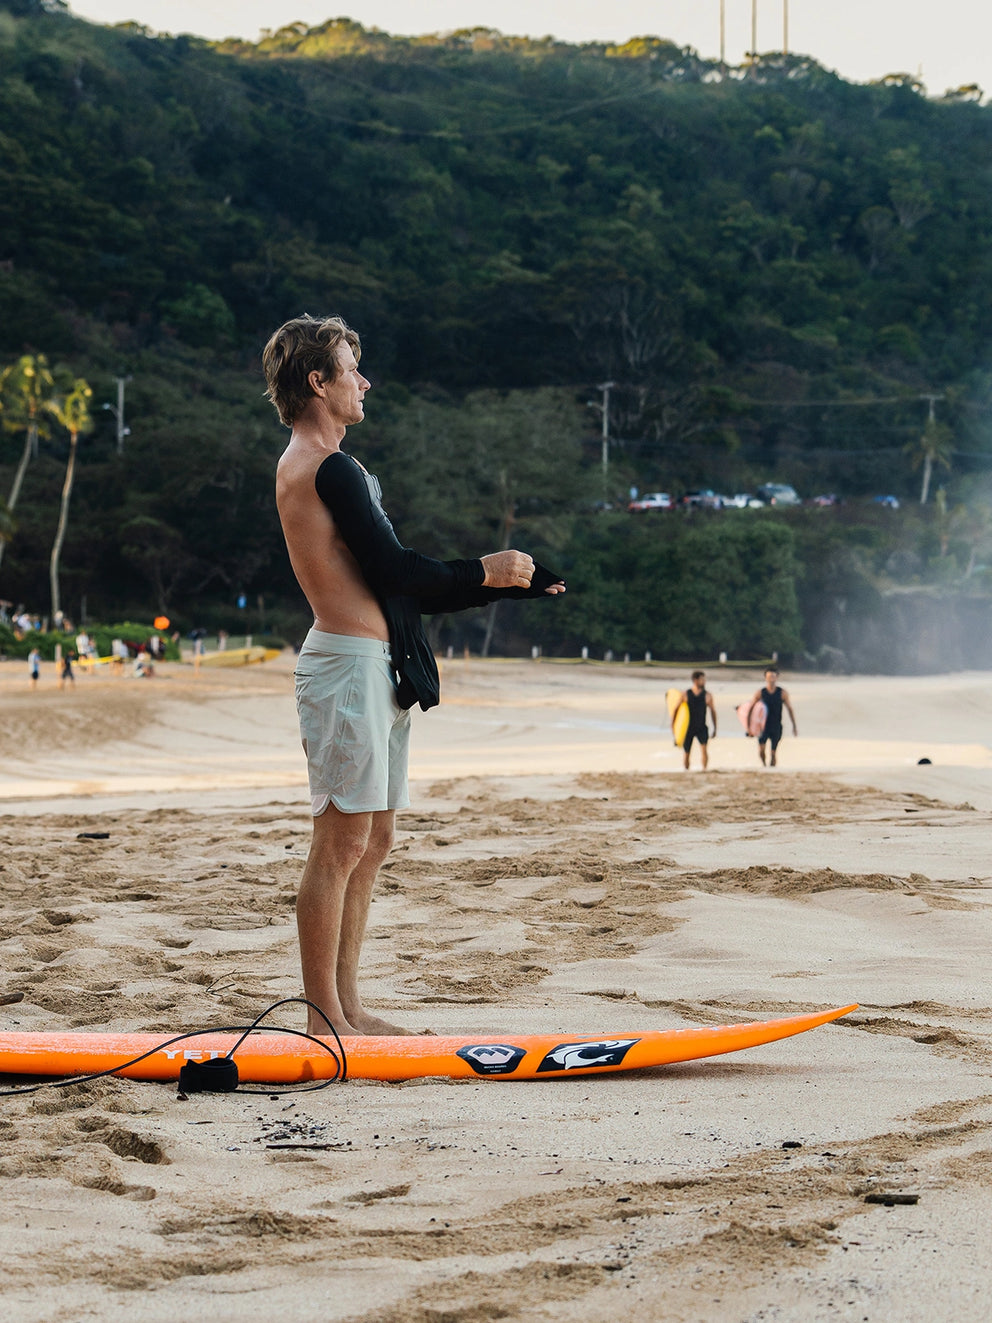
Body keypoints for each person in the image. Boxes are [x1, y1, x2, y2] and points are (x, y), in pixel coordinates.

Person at [265, 314, 565, 1038]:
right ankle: (323, 1018)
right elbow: (399, 571)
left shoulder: (333, 466)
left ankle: (348, 1006)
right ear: (318, 382)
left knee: (373, 841)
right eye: (352, 370)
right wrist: (485, 570)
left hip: (374, 667)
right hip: (346, 669)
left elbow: (397, 587)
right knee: (340, 843)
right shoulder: (324, 467)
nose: (365, 382)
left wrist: (501, 584)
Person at [746, 666, 798, 767]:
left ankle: (772, 769)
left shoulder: (782, 693)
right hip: (763, 726)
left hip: (776, 726)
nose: (771, 679)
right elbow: (751, 709)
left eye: (773, 676)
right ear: (765, 678)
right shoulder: (760, 693)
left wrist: (794, 726)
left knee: (773, 753)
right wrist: (749, 727)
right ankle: (764, 766)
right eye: (769, 677)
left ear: (777, 677)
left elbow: (790, 709)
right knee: (761, 750)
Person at [675, 669, 717, 770]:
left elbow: (713, 712)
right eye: (702, 680)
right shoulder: (685, 694)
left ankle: (704, 769)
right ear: (695, 680)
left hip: (701, 727)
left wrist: (715, 728)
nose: (704, 682)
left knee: (704, 750)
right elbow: (676, 710)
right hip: (688, 727)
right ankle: (686, 770)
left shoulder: (707, 695)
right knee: (687, 752)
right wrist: (674, 727)